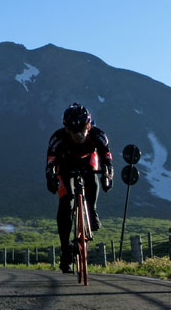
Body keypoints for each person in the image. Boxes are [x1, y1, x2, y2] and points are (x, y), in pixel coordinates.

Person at [45, 103, 114, 273]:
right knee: (66, 200)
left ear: (89, 125)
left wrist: (107, 177)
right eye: (74, 131)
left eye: (82, 129)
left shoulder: (98, 136)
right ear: (66, 128)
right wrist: (51, 179)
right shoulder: (57, 138)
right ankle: (65, 251)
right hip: (65, 164)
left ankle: (92, 211)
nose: (79, 135)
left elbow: (107, 161)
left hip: (88, 161)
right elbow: (50, 163)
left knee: (92, 177)